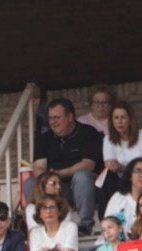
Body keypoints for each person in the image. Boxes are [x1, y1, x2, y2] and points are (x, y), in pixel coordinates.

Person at [29, 99, 104, 234]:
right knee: (30, 183)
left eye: (57, 118)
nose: (53, 122)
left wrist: (61, 173)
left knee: (82, 176)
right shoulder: (44, 138)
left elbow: (89, 164)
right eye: (50, 118)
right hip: (56, 188)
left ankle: (85, 225)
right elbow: (38, 166)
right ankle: (41, 227)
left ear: (70, 117)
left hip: (82, 188)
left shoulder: (88, 132)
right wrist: (47, 179)